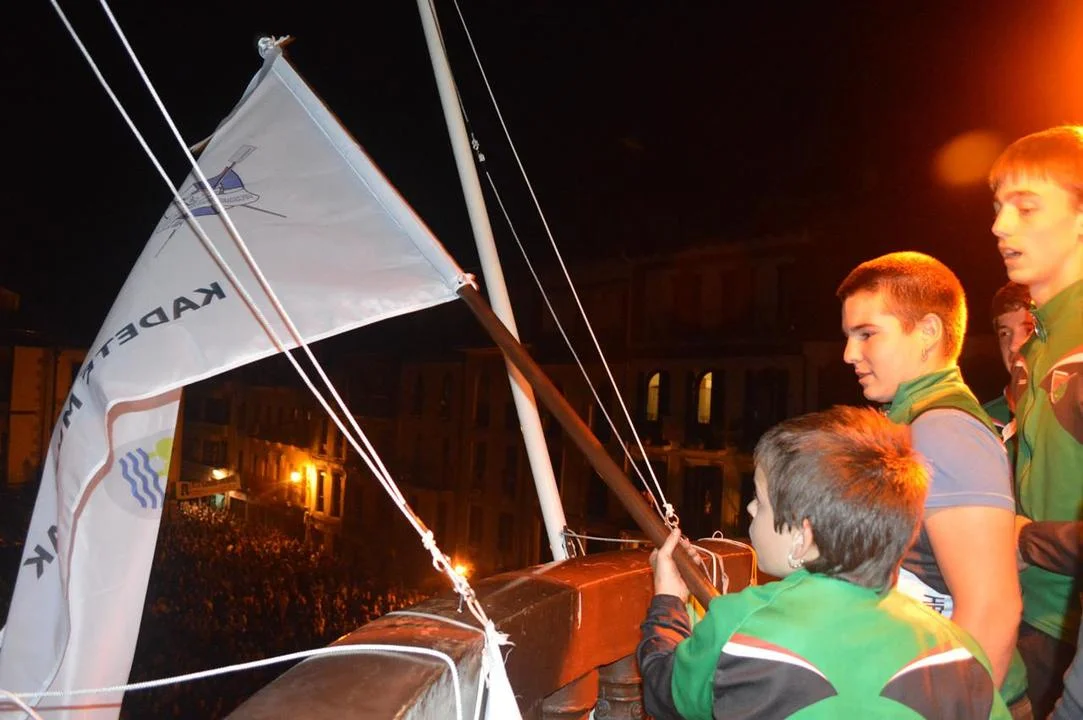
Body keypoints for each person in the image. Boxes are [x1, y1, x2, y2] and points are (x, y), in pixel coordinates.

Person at [637, 406, 1009, 719]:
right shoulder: (958, 651)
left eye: (761, 501)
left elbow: (664, 689)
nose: (749, 508)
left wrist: (668, 601)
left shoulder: (739, 626)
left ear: (804, 537)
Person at [838, 251, 1027, 712]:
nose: (849, 354)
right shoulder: (916, 422)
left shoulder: (943, 431)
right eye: (848, 337)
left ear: (927, 332)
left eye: (867, 334)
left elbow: (992, 610)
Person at [989, 125, 1083, 717]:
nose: (1000, 226)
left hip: (1065, 635)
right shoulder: (1038, 347)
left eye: (1026, 208)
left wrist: (1025, 539)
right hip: (1029, 618)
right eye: (998, 207)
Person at [983, 281, 1034, 431]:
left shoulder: (1072, 420)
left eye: (1029, 330)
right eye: (1005, 333)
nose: (1013, 346)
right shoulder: (982, 425)